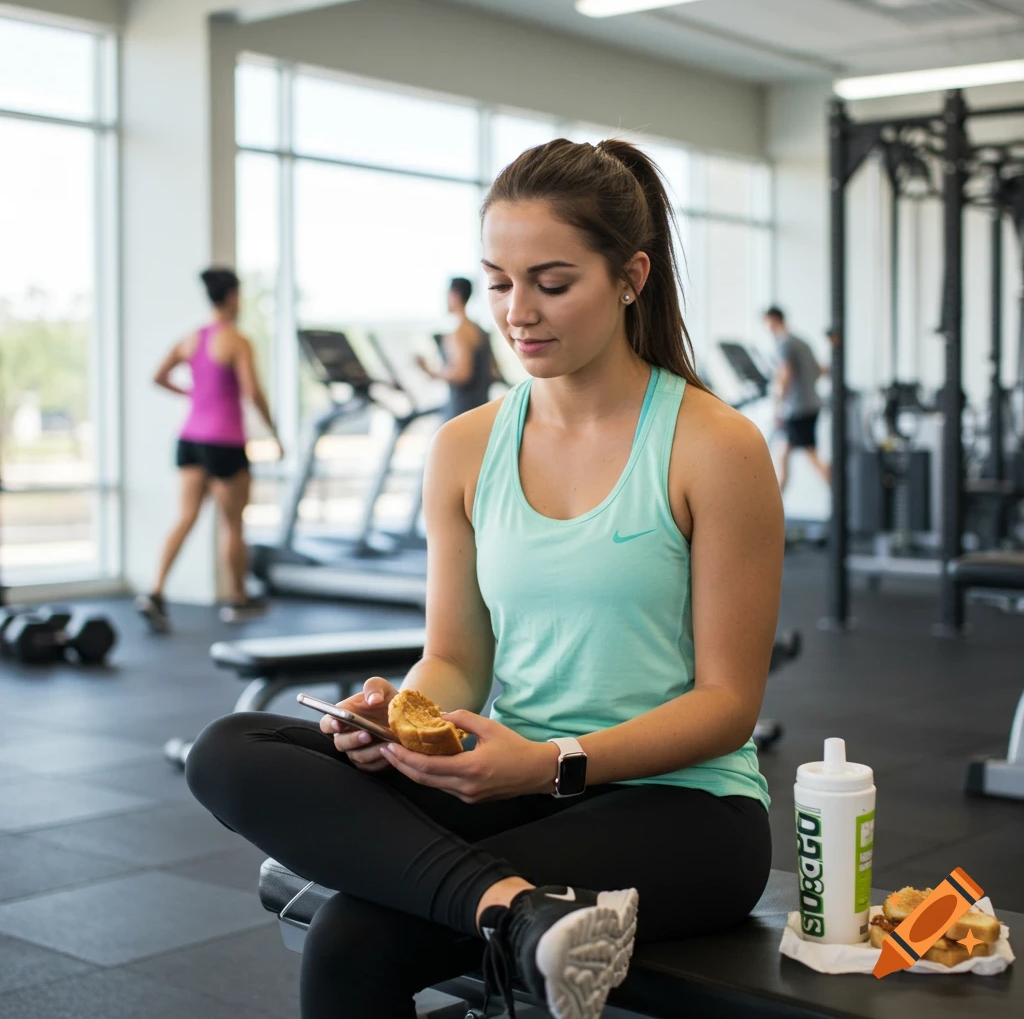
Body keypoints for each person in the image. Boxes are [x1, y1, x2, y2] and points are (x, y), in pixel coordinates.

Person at [185, 139, 784, 1019]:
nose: (518, 312)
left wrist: (550, 764)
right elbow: (456, 658)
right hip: (511, 778)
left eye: (552, 282)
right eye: (499, 282)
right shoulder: (466, 447)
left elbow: (728, 704)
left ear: (630, 277)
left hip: (687, 811)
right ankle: (518, 914)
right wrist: (399, 716)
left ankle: (515, 910)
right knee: (228, 752)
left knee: (355, 940)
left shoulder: (713, 445)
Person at [136, 267, 280, 632]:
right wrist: (274, 431)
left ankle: (155, 591)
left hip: (190, 439)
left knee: (186, 517)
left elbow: (158, 376)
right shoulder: (236, 340)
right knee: (232, 524)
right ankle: (238, 598)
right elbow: (252, 392)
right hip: (225, 441)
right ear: (232, 296)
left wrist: (192, 395)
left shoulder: (191, 339)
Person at [763, 306, 830, 492]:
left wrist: (777, 404)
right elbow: (819, 371)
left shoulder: (784, 343)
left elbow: (784, 375)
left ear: (773, 320)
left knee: (803, 455)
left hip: (797, 409)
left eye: (766, 323)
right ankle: (775, 503)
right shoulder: (802, 342)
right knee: (785, 453)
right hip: (811, 405)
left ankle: (841, 496)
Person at [415, 276, 494, 421]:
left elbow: (462, 373)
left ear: (455, 295)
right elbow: (493, 371)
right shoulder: (479, 330)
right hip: (481, 406)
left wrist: (431, 372)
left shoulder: (460, 332)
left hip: (462, 410)